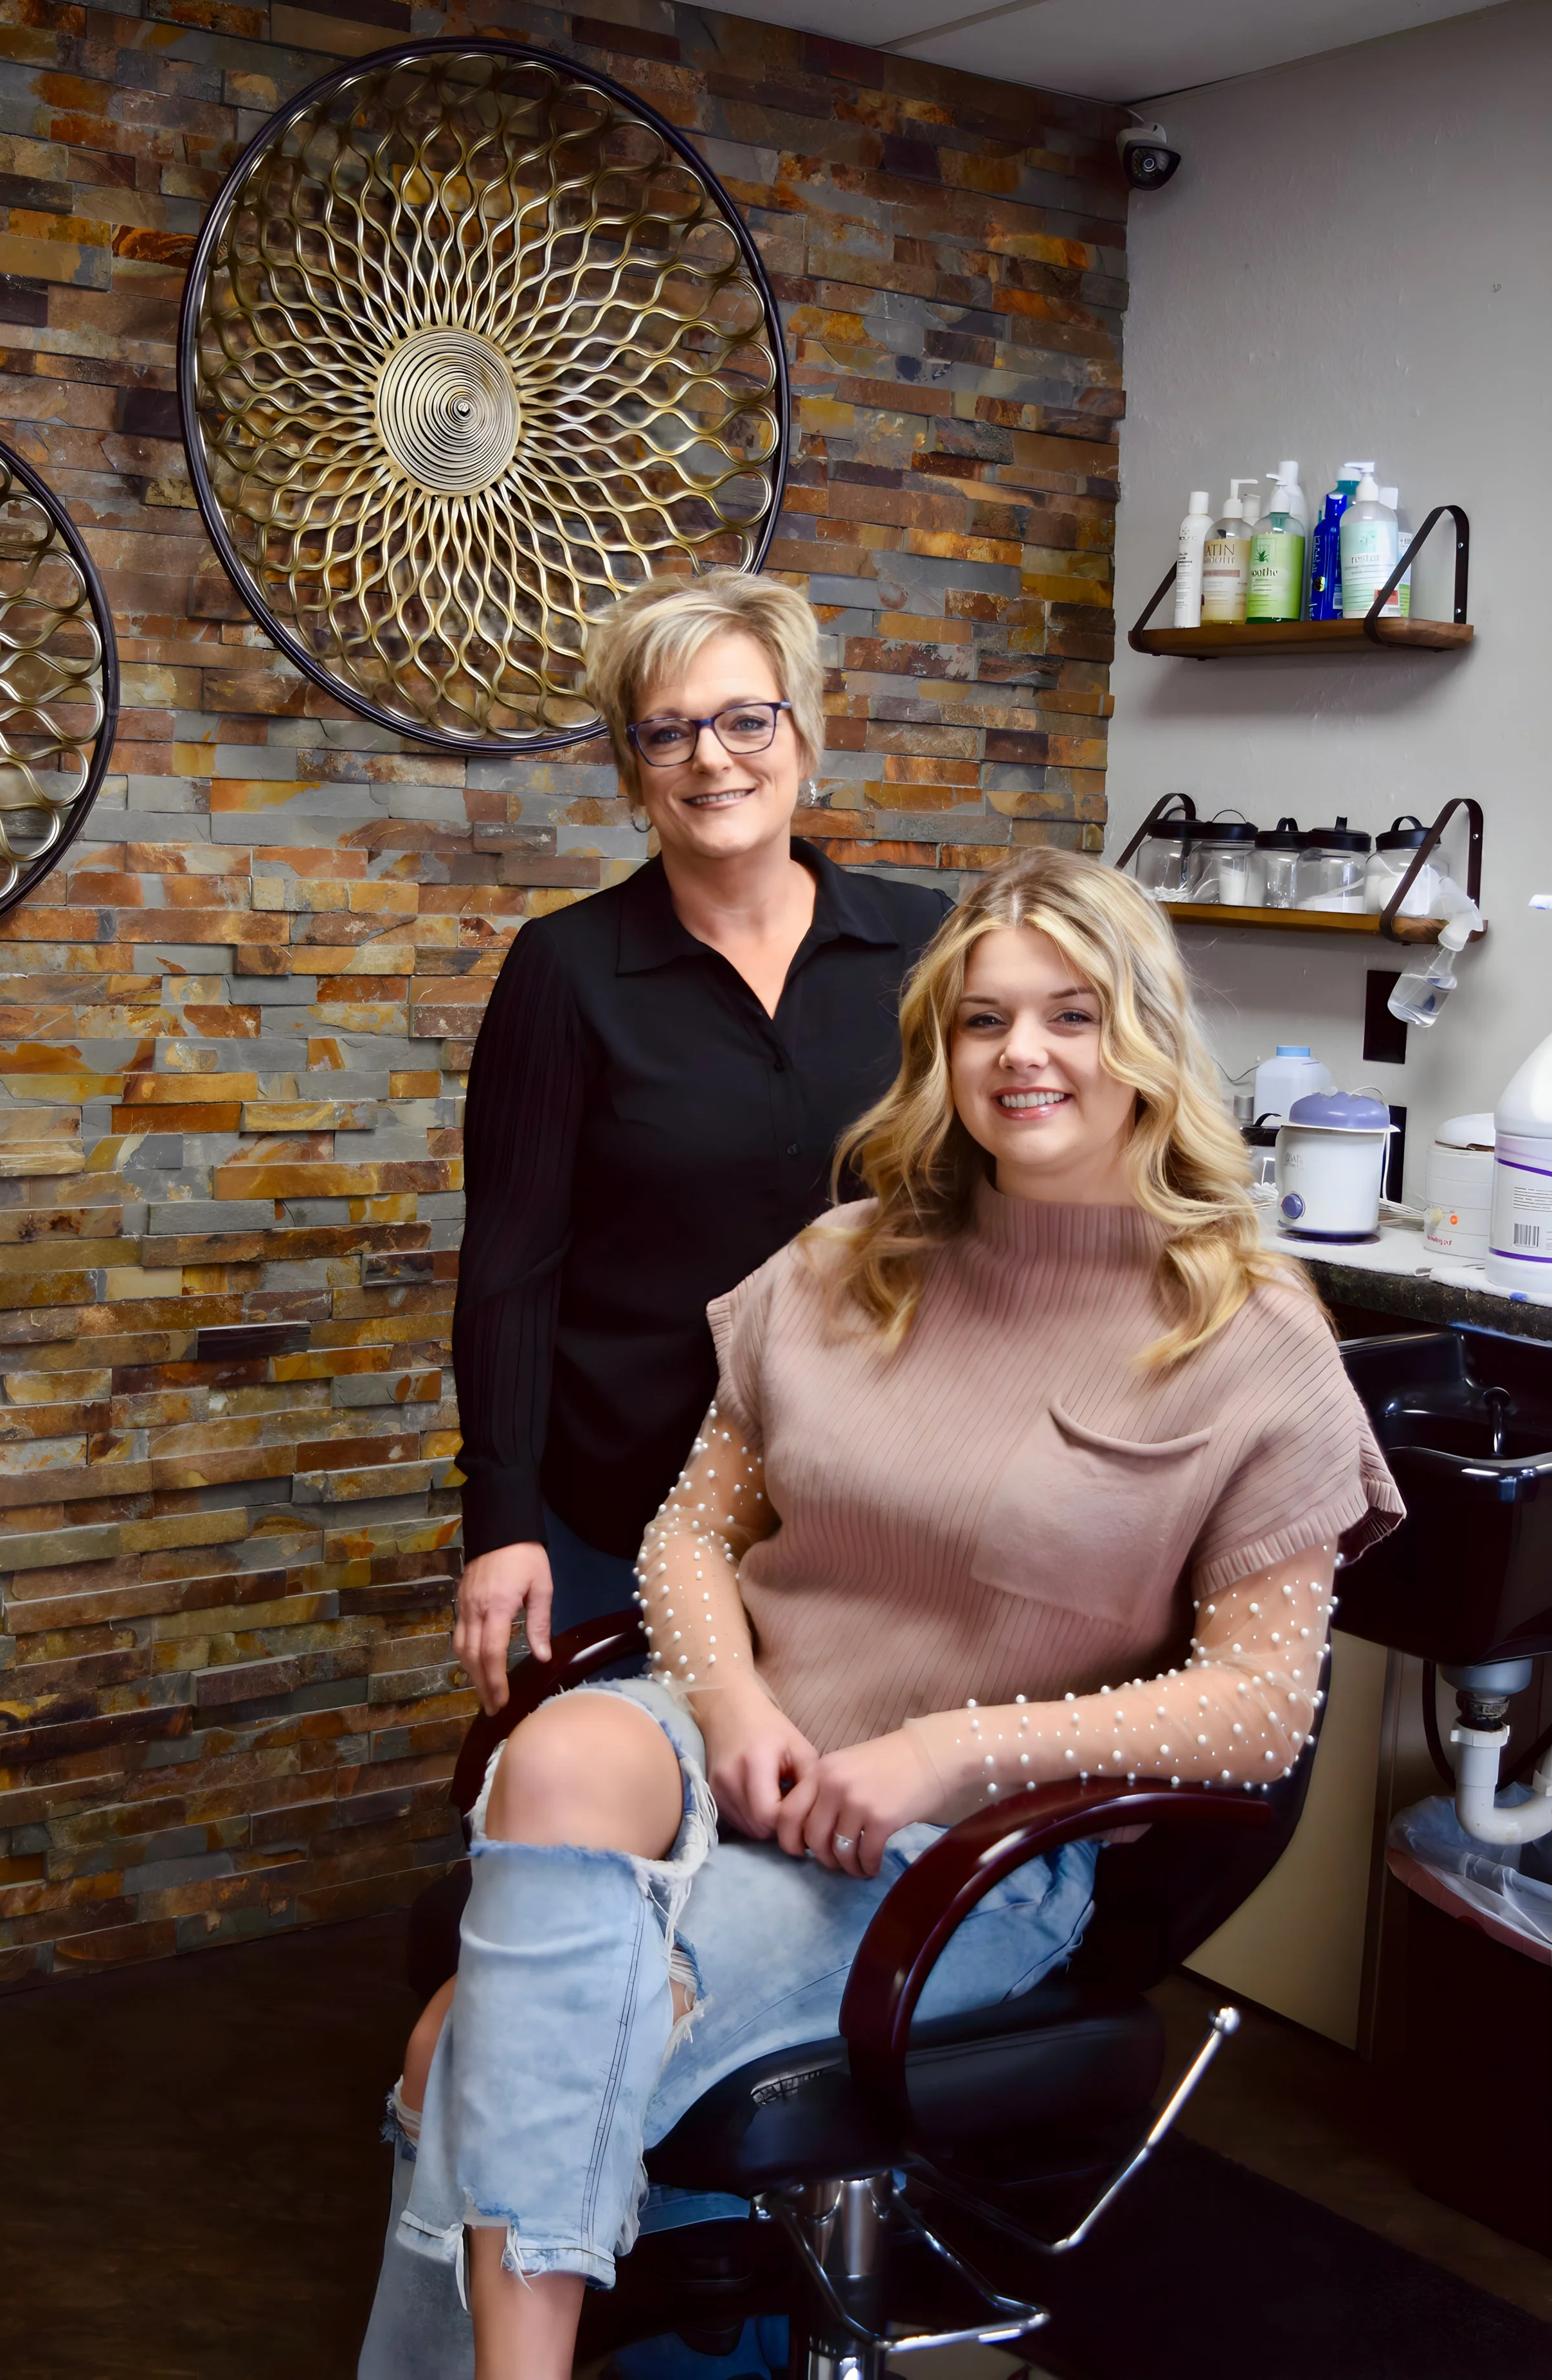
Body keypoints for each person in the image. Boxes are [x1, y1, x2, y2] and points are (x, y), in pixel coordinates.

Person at [363, 849, 1402, 2380]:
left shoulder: (1244, 1335)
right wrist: (732, 1711)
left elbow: (1258, 1712)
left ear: (1144, 1041)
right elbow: (688, 1541)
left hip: (953, 1839)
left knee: (462, 2047)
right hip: (744, 1742)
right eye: (981, 1022)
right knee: (561, 1754)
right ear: (936, 1052)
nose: (1023, 1055)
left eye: (1069, 1014)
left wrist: (936, 1754)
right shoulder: (843, 1264)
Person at [451, 571, 947, 1714]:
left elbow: (982, 1203)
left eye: (744, 718)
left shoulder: (925, 942)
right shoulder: (566, 971)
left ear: (803, 734)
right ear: (634, 771)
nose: (712, 759)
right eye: (668, 733)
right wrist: (503, 1523)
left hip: (861, 1513)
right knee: (614, 1827)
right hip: (615, 1503)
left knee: (820, 1844)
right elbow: (511, 1267)